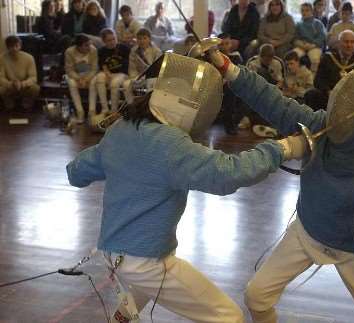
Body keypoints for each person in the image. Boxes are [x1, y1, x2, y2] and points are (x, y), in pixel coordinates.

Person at [66, 52, 305, 323]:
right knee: (229, 317)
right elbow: (228, 173)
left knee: (134, 300)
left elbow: (76, 172)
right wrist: (284, 148)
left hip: (111, 251)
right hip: (146, 261)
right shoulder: (170, 145)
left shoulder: (121, 130)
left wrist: (113, 157)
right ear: (188, 107)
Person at [209, 42, 354, 323]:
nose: (338, 115)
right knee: (256, 296)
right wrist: (226, 68)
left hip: (353, 249)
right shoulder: (321, 126)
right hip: (306, 231)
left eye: (348, 112)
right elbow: (272, 101)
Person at [310, 30, 354, 110]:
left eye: (352, 42)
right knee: (311, 94)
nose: (349, 45)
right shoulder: (328, 58)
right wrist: (328, 91)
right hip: (329, 96)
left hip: (351, 99)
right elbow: (318, 80)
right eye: (346, 42)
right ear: (339, 43)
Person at [0, 36, 40, 112]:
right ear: (7, 47)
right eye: (11, 46)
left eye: (16, 46)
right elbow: (1, 77)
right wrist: (10, 84)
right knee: (1, 89)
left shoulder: (29, 58)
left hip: (24, 86)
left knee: (35, 88)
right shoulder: (2, 58)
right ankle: (9, 103)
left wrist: (23, 84)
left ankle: (27, 104)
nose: (14, 49)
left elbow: (33, 77)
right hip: (10, 86)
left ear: (20, 46)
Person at [64, 34, 98, 123]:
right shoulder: (69, 52)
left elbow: (94, 69)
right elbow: (69, 70)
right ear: (78, 46)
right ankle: (80, 112)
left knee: (94, 82)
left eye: (89, 44)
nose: (89, 47)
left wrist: (86, 79)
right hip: (76, 75)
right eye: (86, 45)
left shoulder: (93, 50)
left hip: (90, 74)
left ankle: (92, 112)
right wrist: (79, 78)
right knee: (71, 83)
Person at [96, 28, 130, 114]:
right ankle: (105, 108)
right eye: (109, 40)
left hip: (122, 74)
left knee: (114, 83)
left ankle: (114, 110)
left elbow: (126, 66)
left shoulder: (124, 48)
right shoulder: (101, 51)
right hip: (110, 73)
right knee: (100, 77)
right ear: (104, 41)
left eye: (114, 39)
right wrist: (108, 74)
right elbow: (102, 65)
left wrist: (112, 76)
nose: (112, 42)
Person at [124, 28, 162, 104]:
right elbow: (132, 68)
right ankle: (131, 106)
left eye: (144, 38)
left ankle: (149, 107)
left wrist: (146, 76)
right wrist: (135, 78)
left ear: (149, 39)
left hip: (152, 77)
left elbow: (157, 69)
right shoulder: (134, 51)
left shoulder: (156, 51)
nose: (142, 41)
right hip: (138, 76)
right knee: (126, 84)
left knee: (150, 85)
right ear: (136, 40)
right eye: (139, 39)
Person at [218, 33, 244, 135]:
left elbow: (240, 73)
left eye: (227, 43)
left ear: (230, 44)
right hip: (219, 86)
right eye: (222, 44)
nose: (224, 46)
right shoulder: (215, 58)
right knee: (230, 91)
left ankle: (234, 122)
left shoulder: (236, 57)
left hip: (233, 84)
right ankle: (229, 124)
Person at [293, 2, 326, 74]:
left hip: (314, 46)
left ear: (312, 11)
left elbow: (322, 37)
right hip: (302, 46)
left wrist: (312, 45)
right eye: (302, 10)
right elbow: (295, 38)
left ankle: (311, 79)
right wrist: (301, 44)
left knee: (315, 59)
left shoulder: (318, 23)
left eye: (307, 10)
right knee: (293, 56)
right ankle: (297, 75)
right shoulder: (299, 24)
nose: (304, 12)